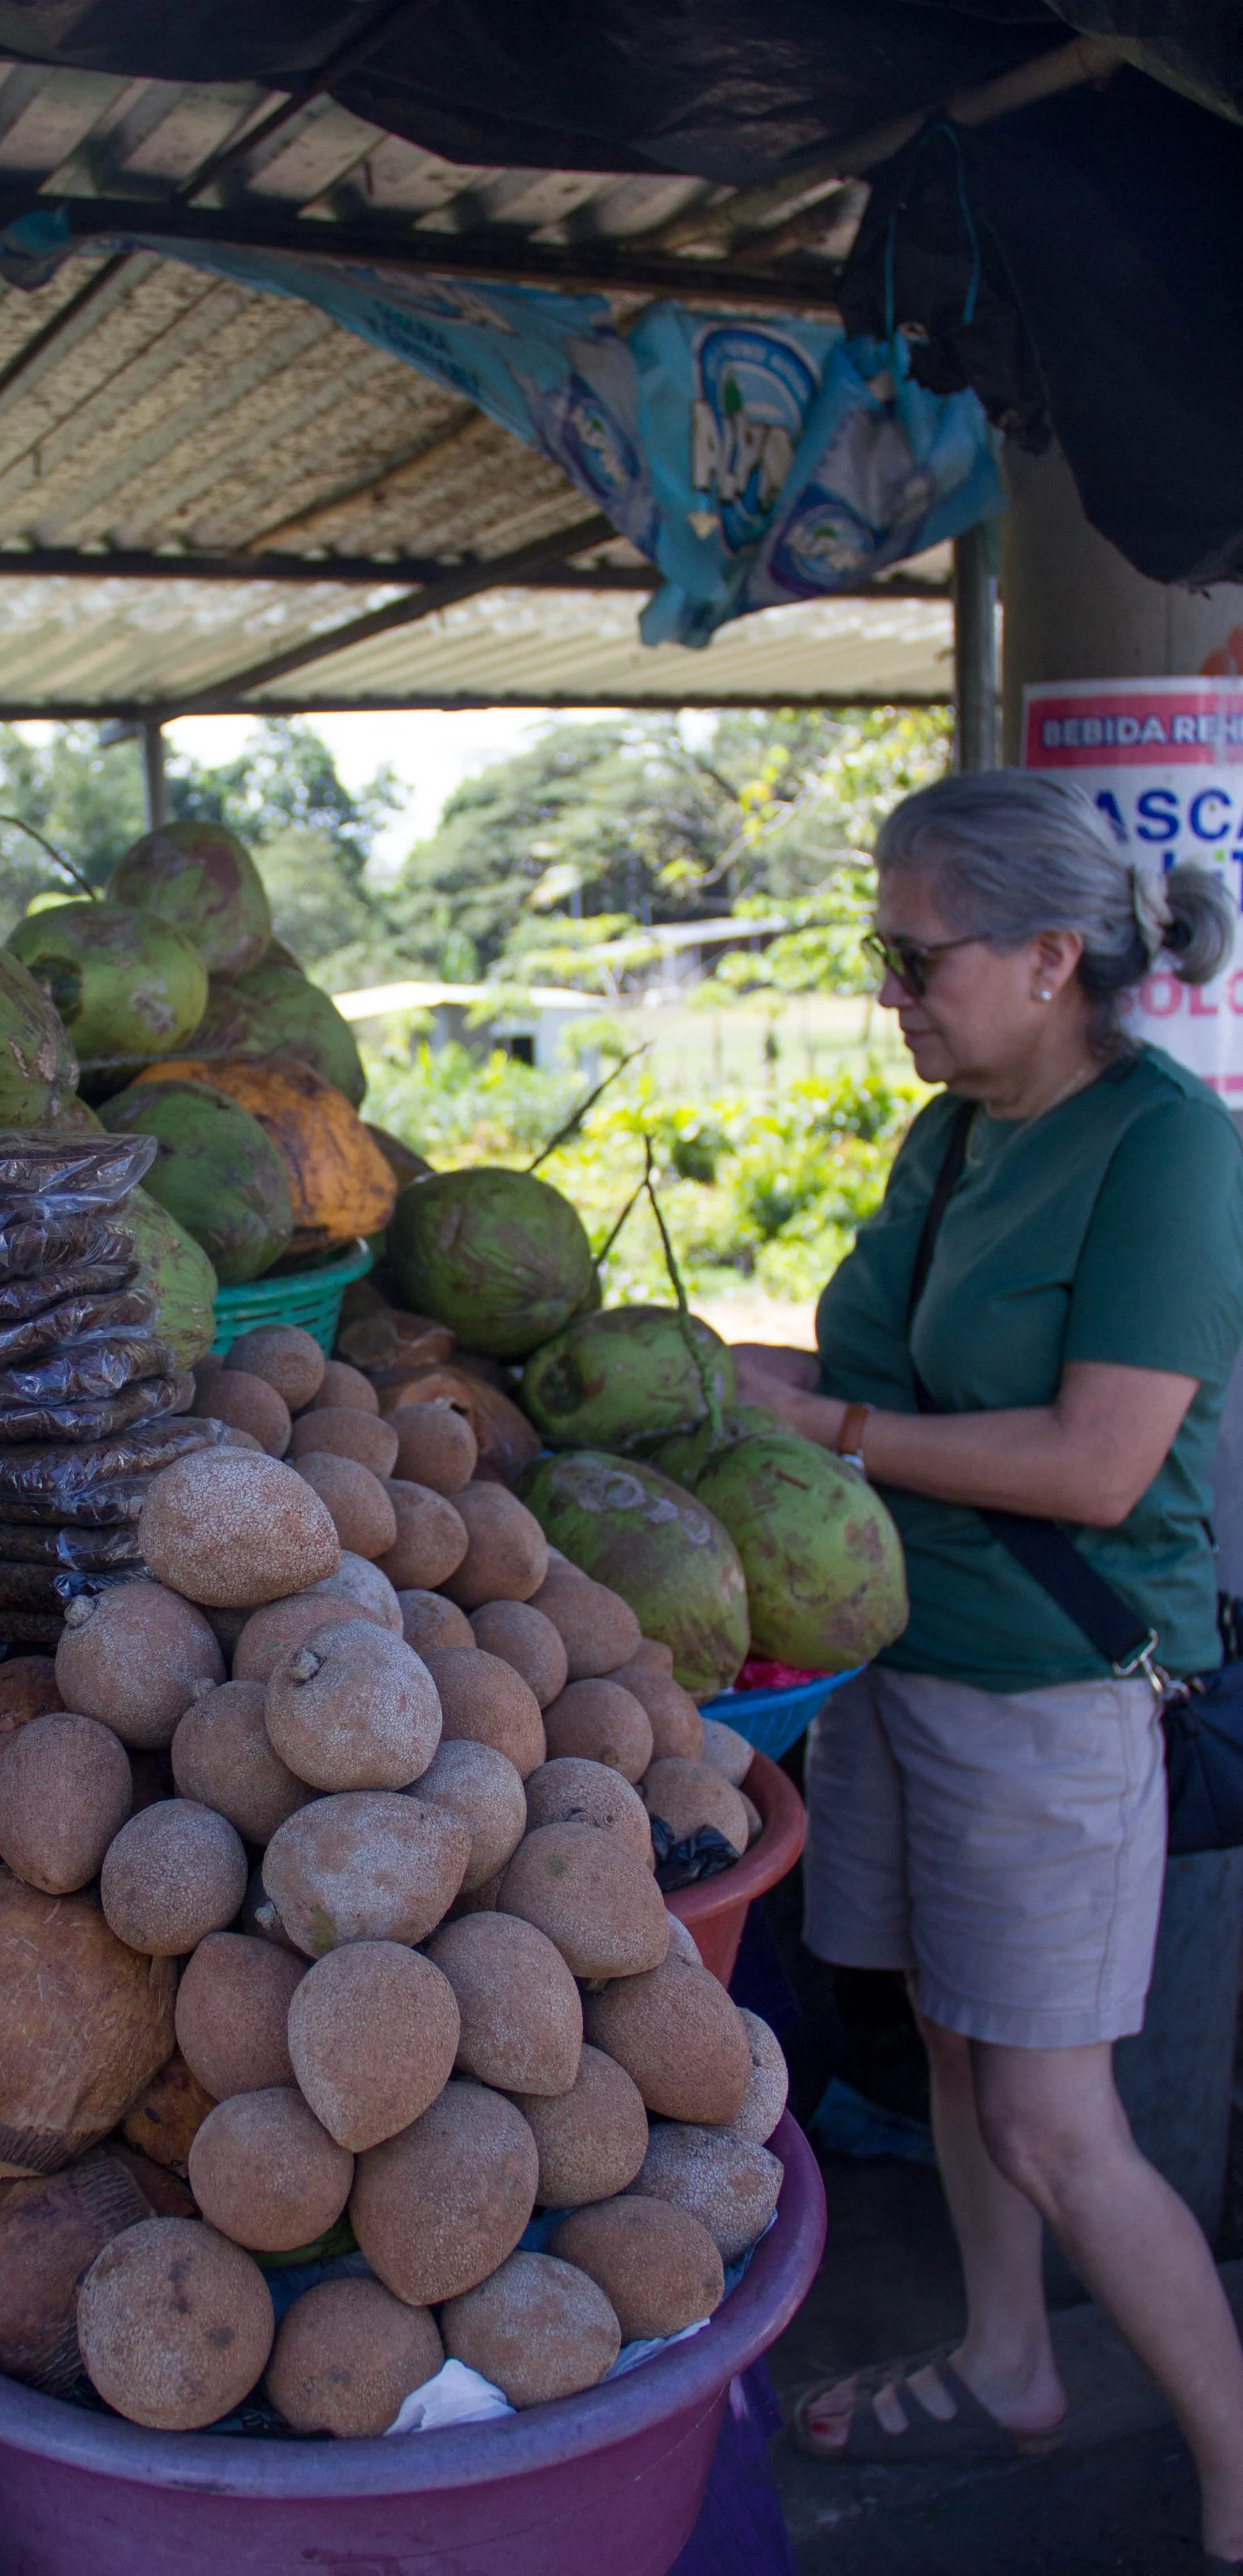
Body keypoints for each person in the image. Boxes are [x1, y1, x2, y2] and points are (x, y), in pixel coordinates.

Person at [729, 769, 1243, 2566]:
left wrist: (832, 1426)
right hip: (902, 1667)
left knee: (1050, 2117)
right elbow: (874, 1379)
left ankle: (1235, 2464)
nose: (890, 991)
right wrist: (714, 1375)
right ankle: (1008, 2362)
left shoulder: (1166, 1150)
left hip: (1050, 1696)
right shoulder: (947, 1136)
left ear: (1047, 956)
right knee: (951, 2049)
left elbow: (1095, 1466)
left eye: (912, 956)